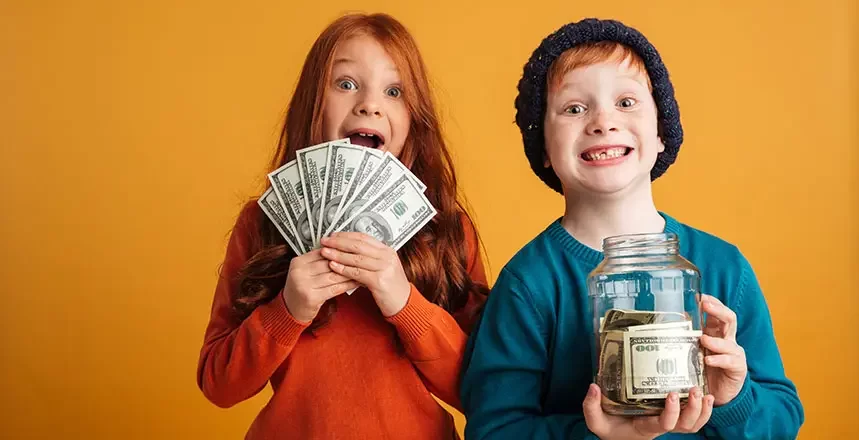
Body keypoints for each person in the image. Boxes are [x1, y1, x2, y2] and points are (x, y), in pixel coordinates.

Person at [459, 18, 803, 439]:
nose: (603, 121)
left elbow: (783, 421)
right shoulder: (528, 284)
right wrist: (605, 435)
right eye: (573, 108)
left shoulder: (724, 267)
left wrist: (734, 398)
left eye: (626, 102)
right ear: (543, 148)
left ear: (662, 132)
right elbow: (493, 430)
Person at [196, 13, 489, 439]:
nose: (369, 104)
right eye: (346, 83)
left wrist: (405, 303)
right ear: (313, 103)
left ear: (414, 121)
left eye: (394, 91)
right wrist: (287, 311)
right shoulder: (263, 222)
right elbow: (218, 384)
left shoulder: (447, 230)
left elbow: (483, 388)